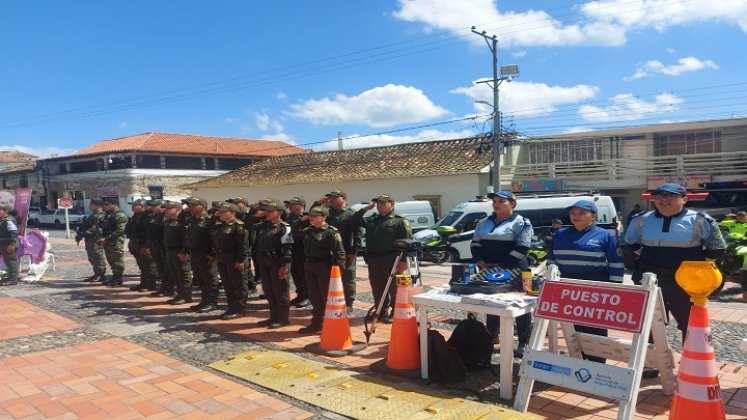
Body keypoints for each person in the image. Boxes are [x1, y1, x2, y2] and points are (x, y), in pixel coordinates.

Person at [624, 183, 725, 344]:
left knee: (691, 323)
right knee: (649, 323)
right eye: (659, 196)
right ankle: (651, 366)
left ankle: (692, 365)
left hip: (688, 283)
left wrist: (695, 267)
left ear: (684, 199)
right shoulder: (641, 220)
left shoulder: (700, 220)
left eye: (670, 195)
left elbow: (717, 248)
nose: (664, 200)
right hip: (651, 280)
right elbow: (630, 245)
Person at [547, 200, 624, 363]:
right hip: (567, 285)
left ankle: (597, 365)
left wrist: (614, 290)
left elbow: (617, 265)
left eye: (581, 213)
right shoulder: (560, 234)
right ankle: (578, 361)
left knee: (595, 329)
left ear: (593, 216)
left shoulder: (606, 236)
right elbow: (551, 260)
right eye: (573, 213)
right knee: (572, 328)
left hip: (595, 286)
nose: (576, 216)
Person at [470, 191, 533, 357]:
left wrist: (502, 265)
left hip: (518, 271)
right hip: (488, 270)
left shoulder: (522, 223)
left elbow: (523, 248)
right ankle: (491, 337)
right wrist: (479, 260)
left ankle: (523, 342)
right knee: (492, 303)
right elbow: (475, 244)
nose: (496, 204)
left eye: (501, 201)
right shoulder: (483, 222)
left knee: (521, 306)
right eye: (494, 201)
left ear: (512, 204)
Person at [351, 194, 412, 323]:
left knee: (394, 288)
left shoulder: (400, 221)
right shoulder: (373, 219)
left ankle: (396, 312)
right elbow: (353, 221)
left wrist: (404, 261)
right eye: (378, 203)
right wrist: (365, 209)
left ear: (392, 204)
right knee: (377, 287)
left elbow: (407, 242)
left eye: (383, 203)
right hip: (374, 259)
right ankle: (381, 311)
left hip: (392, 258)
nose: (379, 206)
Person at [299, 206, 346, 333]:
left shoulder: (330, 232)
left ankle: (331, 325)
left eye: (315, 216)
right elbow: (294, 233)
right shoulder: (309, 230)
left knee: (327, 297)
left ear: (324, 217)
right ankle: (317, 324)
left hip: (323, 267)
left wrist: (338, 272)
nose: (311, 218)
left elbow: (340, 253)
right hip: (309, 266)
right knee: (314, 296)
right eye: (310, 215)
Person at [319, 190, 361, 314]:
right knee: (329, 278)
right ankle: (331, 301)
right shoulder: (327, 213)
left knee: (348, 279)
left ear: (343, 199)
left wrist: (354, 251)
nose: (331, 200)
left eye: (335, 198)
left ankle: (349, 303)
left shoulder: (350, 214)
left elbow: (358, 233)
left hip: (346, 251)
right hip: (328, 252)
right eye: (330, 198)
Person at [254, 199, 294, 328]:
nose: (267, 213)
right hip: (264, 261)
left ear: (280, 212)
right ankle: (273, 316)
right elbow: (247, 225)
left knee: (280, 290)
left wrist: (285, 265)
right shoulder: (264, 225)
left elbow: (288, 247)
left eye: (271, 210)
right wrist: (256, 215)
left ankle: (283, 318)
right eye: (266, 210)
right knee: (269, 290)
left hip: (277, 261)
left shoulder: (285, 227)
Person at [179, 197, 220, 313]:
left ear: (202, 206)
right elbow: (187, 238)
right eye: (189, 205)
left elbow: (214, 239)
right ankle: (204, 300)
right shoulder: (191, 220)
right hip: (194, 253)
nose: (189, 207)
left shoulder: (209, 220)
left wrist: (212, 253)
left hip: (205, 254)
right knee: (200, 279)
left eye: (192, 205)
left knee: (210, 279)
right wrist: (185, 250)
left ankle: (212, 302)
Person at [211, 202, 250, 320]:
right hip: (222, 257)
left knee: (238, 284)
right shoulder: (221, 225)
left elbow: (243, 246)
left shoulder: (239, 226)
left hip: (234, 258)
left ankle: (239, 309)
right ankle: (231, 307)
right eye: (220, 211)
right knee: (227, 284)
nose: (220, 214)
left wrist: (240, 260)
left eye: (223, 212)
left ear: (232, 213)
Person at [226, 197, 259, 299]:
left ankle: (252, 287)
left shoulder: (249, 214)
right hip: (240, 244)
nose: (234, 205)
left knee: (246, 266)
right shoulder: (238, 214)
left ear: (243, 204)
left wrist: (249, 246)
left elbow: (251, 232)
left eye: (236, 203)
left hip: (248, 244)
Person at [162, 201, 192, 305]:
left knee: (183, 274)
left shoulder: (182, 221)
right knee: (175, 275)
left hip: (179, 251)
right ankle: (180, 294)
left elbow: (186, 238)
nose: (166, 210)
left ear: (177, 209)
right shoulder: (168, 221)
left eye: (169, 208)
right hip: (170, 251)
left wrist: (184, 251)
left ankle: (186, 296)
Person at [285, 197, 311, 308]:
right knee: (295, 273)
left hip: (302, 249)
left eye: (293, 204)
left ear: (301, 205)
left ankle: (307, 296)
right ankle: (300, 295)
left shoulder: (307, 217)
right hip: (291, 248)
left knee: (303, 274)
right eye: (289, 204)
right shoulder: (287, 217)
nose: (290, 206)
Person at [126, 199, 157, 291]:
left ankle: (151, 285)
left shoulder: (148, 216)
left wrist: (147, 245)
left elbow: (150, 233)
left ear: (142, 206)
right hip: (136, 244)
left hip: (144, 244)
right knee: (142, 266)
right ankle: (143, 283)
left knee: (149, 265)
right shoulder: (136, 216)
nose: (132, 207)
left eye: (135, 205)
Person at [98, 198, 128, 286]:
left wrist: (107, 238)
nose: (104, 206)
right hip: (109, 242)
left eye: (107, 204)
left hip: (117, 241)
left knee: (117, 260)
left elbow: (120, 230)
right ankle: (115, 277)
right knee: (111, 260)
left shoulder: (120, 215)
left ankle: (118, 278)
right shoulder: (109, 215)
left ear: (114, 204)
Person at [76, 198, 107, 283]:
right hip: (90, 240)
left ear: (97, 205)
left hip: (96, 240)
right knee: (92, 258)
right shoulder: (93, 215)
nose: (90, 206)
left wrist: (83, 233)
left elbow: (94, 229)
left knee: (98, 257)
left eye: (91, 204)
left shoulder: (100, 215)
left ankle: (101, 275)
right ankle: (97, 273)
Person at [143, 200, 167, 296]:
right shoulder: (153, 217)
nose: (152, 208)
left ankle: (167, 289)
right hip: (155, 246)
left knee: (166, 269)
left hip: (163, 247)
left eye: (154, 206)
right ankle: (163, 288)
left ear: (162, 206)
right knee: (161, 269)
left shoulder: (165, 217)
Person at [0, 204, 19, 286]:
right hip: (5, 243)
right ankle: (10, 277)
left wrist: (12, 244)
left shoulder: (9, 220)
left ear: (5, 211)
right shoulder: (5, 220)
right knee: (8, 262)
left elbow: (14, 232)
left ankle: (13, 279)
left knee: (11, 261)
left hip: (9, 244)